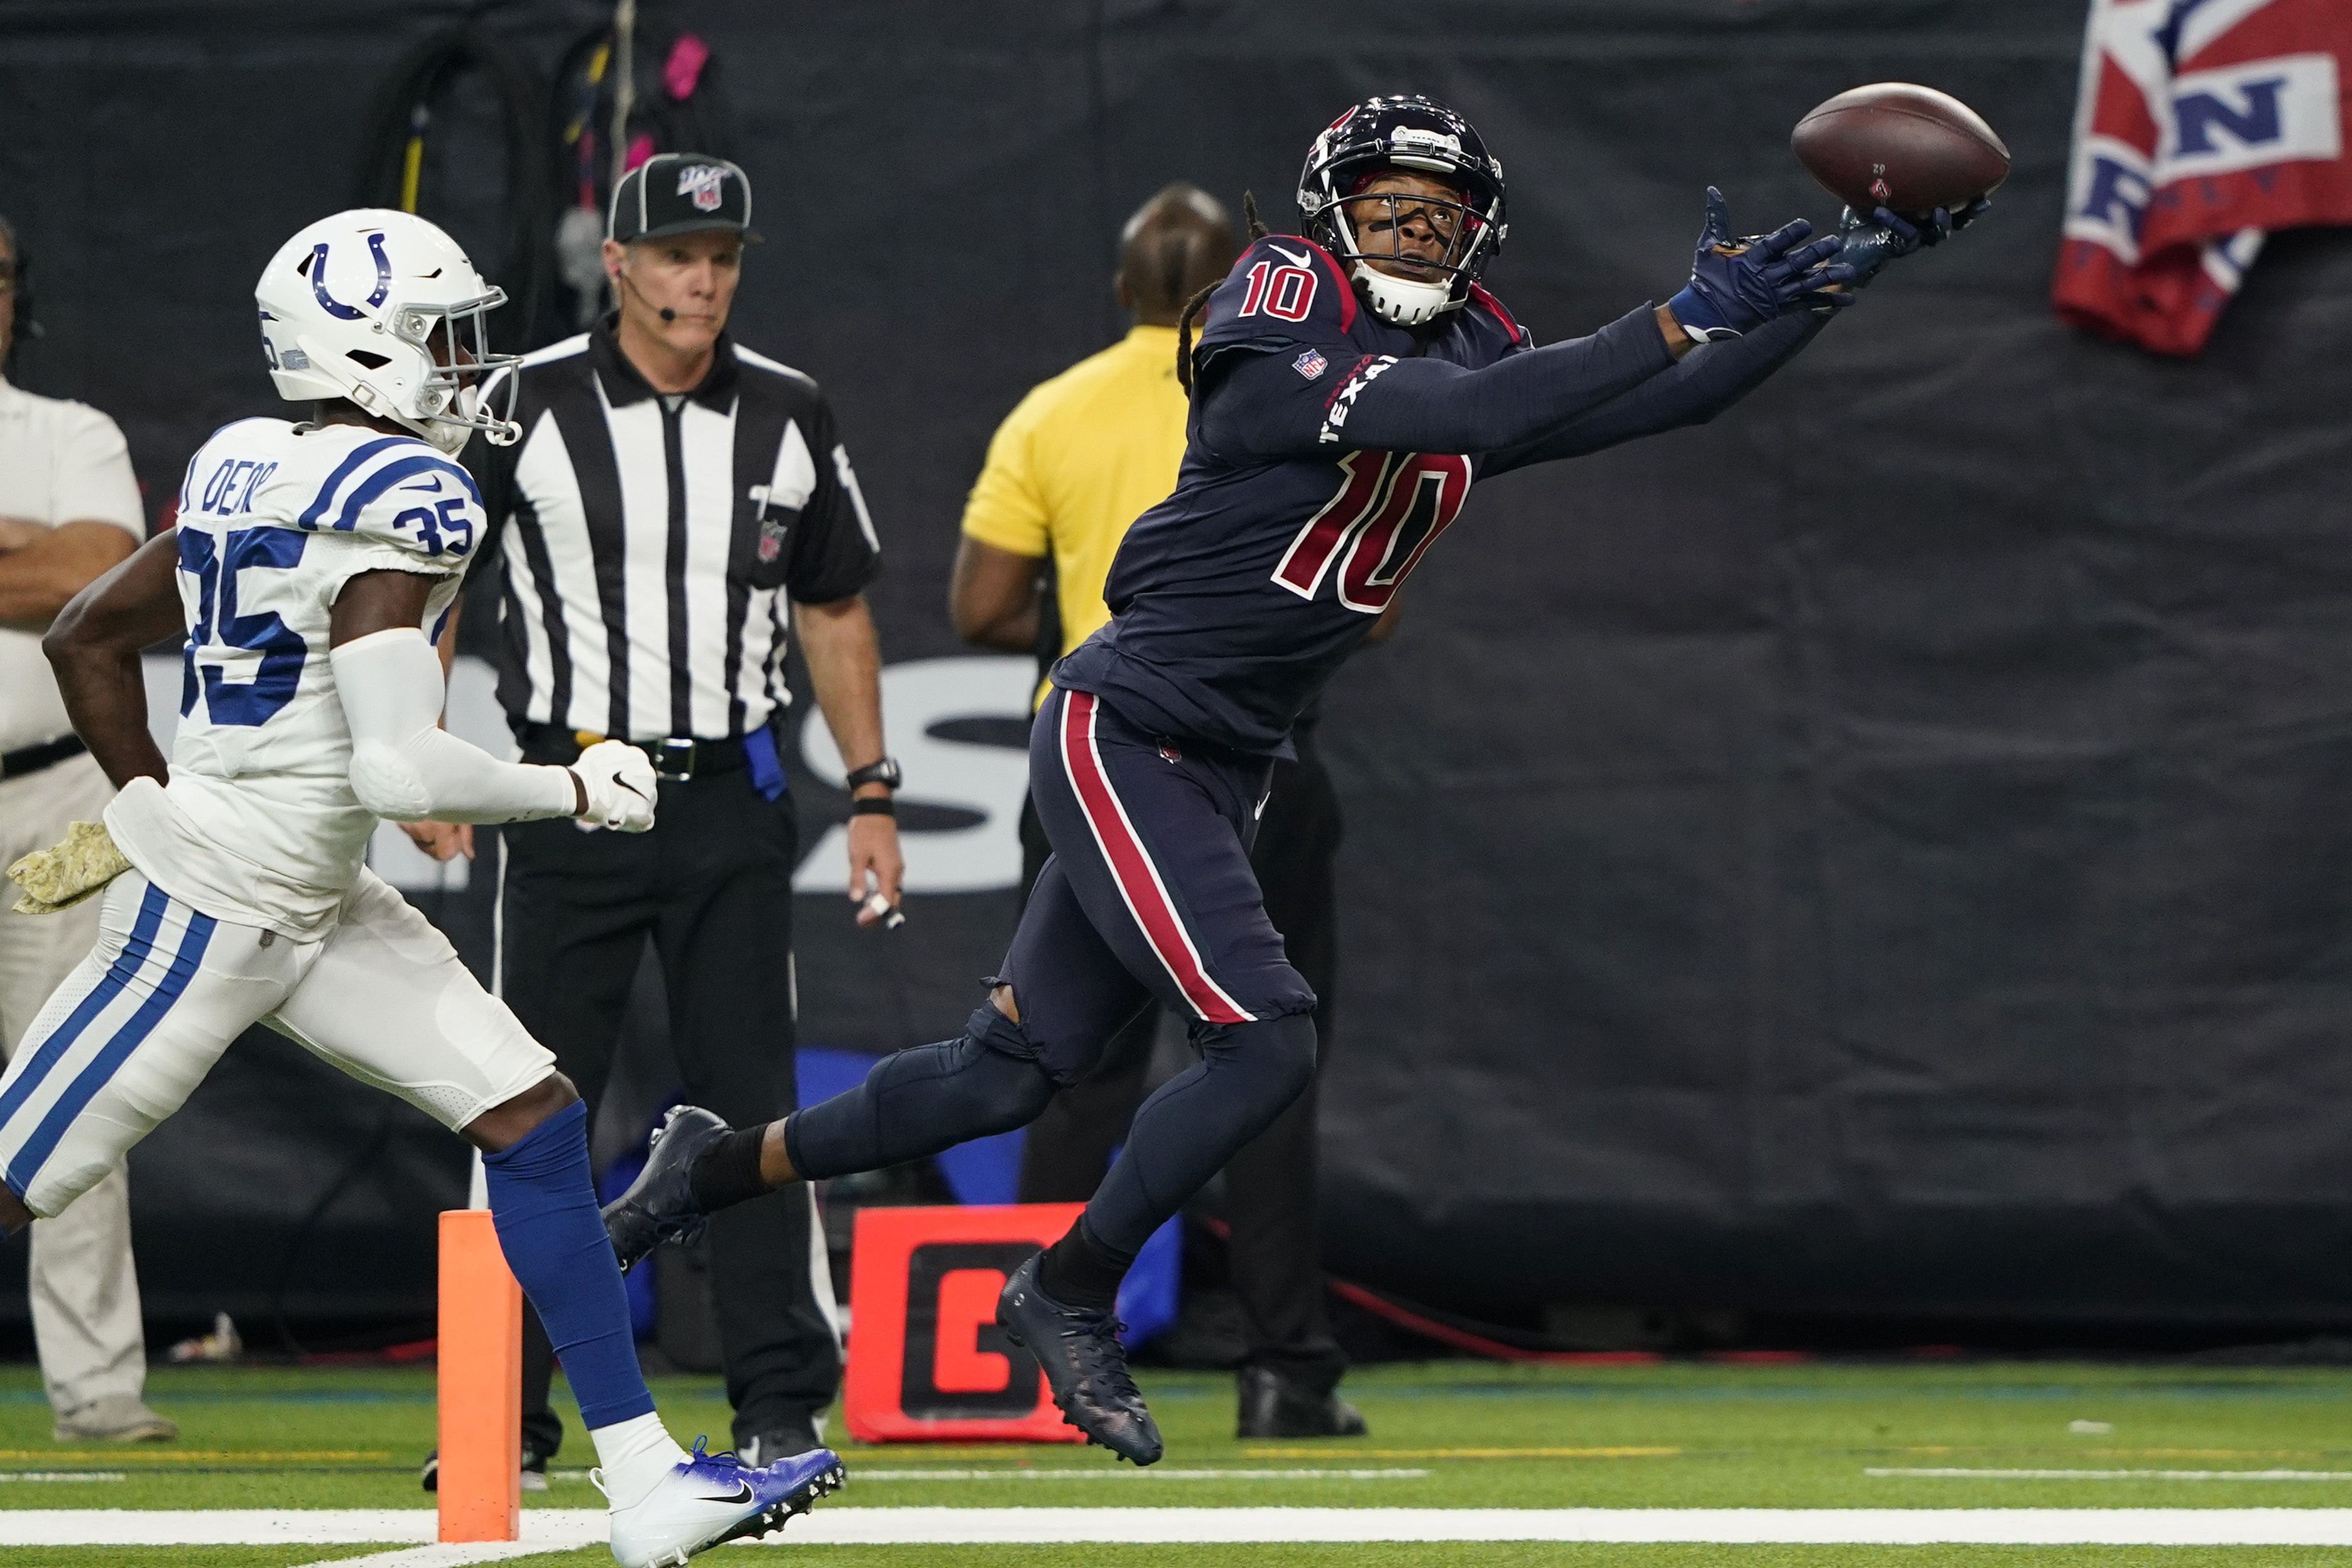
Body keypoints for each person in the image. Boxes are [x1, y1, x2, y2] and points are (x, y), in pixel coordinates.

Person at [606, 94, 1975, 1463]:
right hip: (1127, 723)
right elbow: (1489, 399)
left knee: (1002, 1075)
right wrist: (1678, 311)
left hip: (1226, 758)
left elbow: (1662, 400)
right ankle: (1067, 1286)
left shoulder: (1476, 338)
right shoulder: (1277, 305)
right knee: (1265, 1039)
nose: (1411, 232)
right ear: (1330, 214)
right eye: (1387, 208)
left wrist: (1843, 280)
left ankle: (707, 1166)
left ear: (1478, 236)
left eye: (1438, 217)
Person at [0, 207, 842, 1564]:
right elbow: (396, 771)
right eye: (441, 338)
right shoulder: (409, 493)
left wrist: (149, 791)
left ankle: (644, 1487)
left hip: (313, 898)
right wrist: (572, 786)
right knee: (15, 1173)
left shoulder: (243, 461)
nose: (464, 363)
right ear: (365, 347)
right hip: (216, 911)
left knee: (533, 1116)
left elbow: (92, 635)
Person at [404, 152, 896, 1474]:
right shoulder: (525, 403)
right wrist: (418, 756)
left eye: (723, 256)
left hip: (729, 791)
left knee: (751, 1106)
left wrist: (872, 787)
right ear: (615, 263)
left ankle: (778, 1396)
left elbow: (835, 605)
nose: (703, 279)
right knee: (517, 1099)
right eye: (678, 254)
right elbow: (434, 590)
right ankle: (496, 1414)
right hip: (570, 790)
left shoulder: (790, 411)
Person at [950, 182, 1366, 1438]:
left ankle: (1028, 1372)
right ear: (1244, 289)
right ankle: (1282, 1368)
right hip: (1259, 760)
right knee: (1270, 1060)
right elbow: (1369, 598)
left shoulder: (1054, 410)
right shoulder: (1304, 392)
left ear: (1119, 293)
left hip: (1098, 757)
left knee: (1070, 1068)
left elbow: (978, 606)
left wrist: (1116, 619)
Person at [0, 210, 173, 1445]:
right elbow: (42, 565)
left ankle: (98, 1389)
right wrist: (22, 547)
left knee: (71, 1086)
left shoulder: (70, 433)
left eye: (0, 274)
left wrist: (52, 559)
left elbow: (98, 574)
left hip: (52, 795)